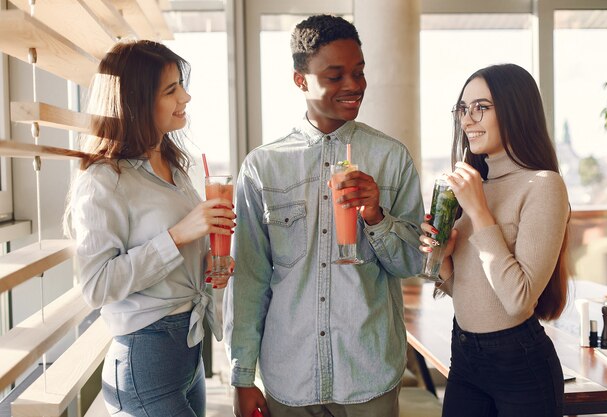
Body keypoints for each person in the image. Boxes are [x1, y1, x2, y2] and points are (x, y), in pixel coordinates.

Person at [223, 14, 424, 417]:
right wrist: (243, 377)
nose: (354, 85)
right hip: (289, 379)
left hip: (370, 378)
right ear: (301, 80)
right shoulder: (263, 167)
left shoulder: (391, 158)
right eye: (335, 76)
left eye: (359, 72)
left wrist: (376, 215)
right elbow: (248, 278)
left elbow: (413, 263)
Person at [65, 40, 236, 417]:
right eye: (171, 89)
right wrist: (177, 236)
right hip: (147, 356)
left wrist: (206, 263)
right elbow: (95, 287)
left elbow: (173, 254)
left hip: (188, 354)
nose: (186, 97)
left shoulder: (174, 167)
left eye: (182, 86)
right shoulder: (103, 180)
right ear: (137, 101)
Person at [420, 63, 570, 417]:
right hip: (466, 357)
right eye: (463, 108)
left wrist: (480, 212)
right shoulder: (476, 185)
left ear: (516, 109)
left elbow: (517, 301)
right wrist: (443, 260)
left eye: (481, 107)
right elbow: (476, 294)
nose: (467, 119)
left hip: (521, 367)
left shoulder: (543, 185)